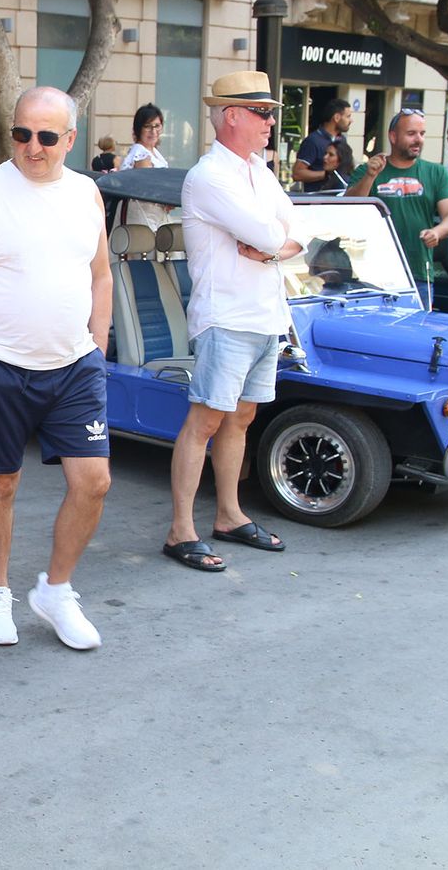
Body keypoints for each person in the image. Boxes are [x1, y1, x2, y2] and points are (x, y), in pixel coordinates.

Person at [0, 86, 113, 651]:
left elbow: (101, 274)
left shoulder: (87, 193)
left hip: (75, 366)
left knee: (94, 482)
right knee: (1, 485)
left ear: (70, 139)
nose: (32, 147)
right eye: (21, 134)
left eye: (46, 136)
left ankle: (56, 591)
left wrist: (98, 348)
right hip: (3, 367)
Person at [164, 70, 302, 572]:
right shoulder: (210, 175)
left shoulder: (256, 171)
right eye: (263, 113)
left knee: (240, 418)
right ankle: (181, 530)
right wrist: (273, 242)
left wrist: (270, 250)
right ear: (232, 117)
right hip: (226, 317)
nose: (271, 122)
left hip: (265, 315)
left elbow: (294, 227)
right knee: (205, 421)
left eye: (271, 113)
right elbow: (271, 231)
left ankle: (228, 515)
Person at [346, 110, 448, 282]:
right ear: (393, 136)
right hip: (373, 271)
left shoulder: (437, 172)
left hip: (418, 272)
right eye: (411, 134)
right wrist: (370, 176)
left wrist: (437, 232)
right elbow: (349, 207)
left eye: (422, 134)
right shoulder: (366, 170)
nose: (418, 139)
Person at [119, 103, 171, 229]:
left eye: (157, 126)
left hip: (156, 212)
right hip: (143, 214)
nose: (153, 131)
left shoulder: (154, 153)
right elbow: (147, 187)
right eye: (148, 126)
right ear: (139, 129)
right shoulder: (140, 153)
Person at [292, 97, 353, 186]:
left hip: (339, 194)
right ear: (336, 117)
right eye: (348, 116)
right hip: (317, 197)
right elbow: (297, 174)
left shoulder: (342, 139)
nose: (351, 121)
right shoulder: (313, 141)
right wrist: (326, 174)